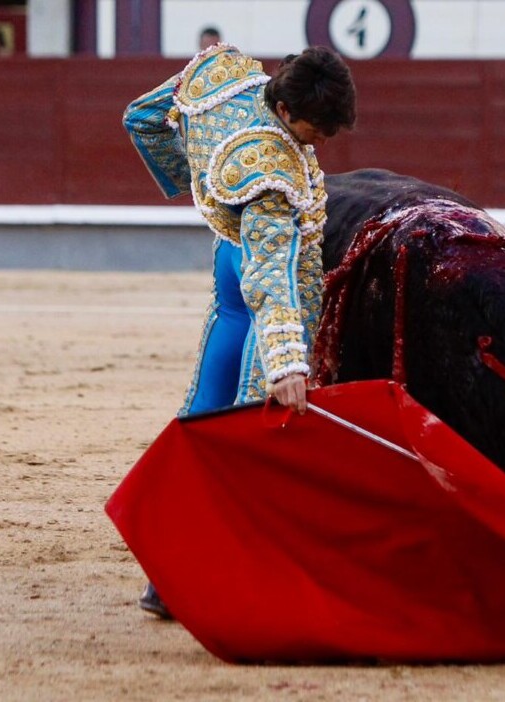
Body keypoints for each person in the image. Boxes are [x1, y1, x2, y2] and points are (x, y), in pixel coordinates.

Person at [123, 43, 356, 618]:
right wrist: (286, 360)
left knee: (203, 412)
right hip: (259, 280)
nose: (320, 141)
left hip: (227, 262)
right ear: (290, 111)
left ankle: (161, 575)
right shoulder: (271, 171)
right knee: (253, 432)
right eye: (317, 129)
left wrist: (202, 183)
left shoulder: (221, 74)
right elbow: (272, 277)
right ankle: (215, 575)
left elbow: (142, 118)